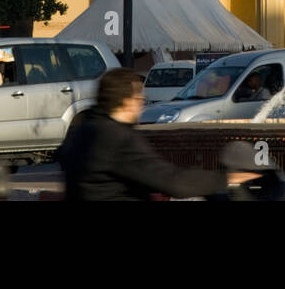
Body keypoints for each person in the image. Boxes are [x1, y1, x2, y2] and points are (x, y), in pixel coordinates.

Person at [58, 68, 259, 201]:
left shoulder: (84, 131)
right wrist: (227, 178)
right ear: (127, 101)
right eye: (139, 98)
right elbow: (173, 182)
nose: (141, 105)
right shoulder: (118, 138)